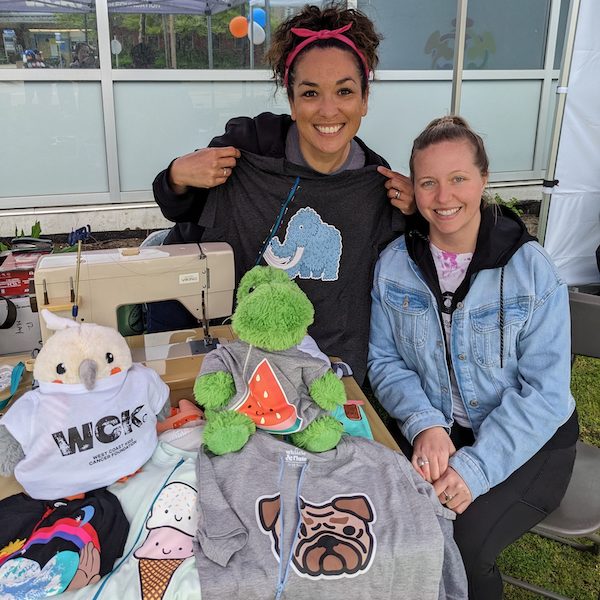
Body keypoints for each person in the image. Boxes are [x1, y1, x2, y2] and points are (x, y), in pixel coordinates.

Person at [368, 115, 579, 599]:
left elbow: (546, 394)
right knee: (391, 528)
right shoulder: (394, 263)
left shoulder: (531, 270)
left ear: (484, 179)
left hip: (533, 443)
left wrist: (475, 469)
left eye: (458, 178)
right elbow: (384, 361)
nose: (444, 198)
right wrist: (425, 424)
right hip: (441, 434)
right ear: (414, 189)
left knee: (458, 546)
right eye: (428, 183)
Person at [153, 5, 414, 385]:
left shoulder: (376, 185)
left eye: (344, 91)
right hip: (231, 347)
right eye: (310, 92)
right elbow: (181, 210)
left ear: (364, 99)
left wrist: (417, 210)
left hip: (319, 365)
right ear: (292, 101)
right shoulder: (247, 151)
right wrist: (177, 174)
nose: (328, 110)